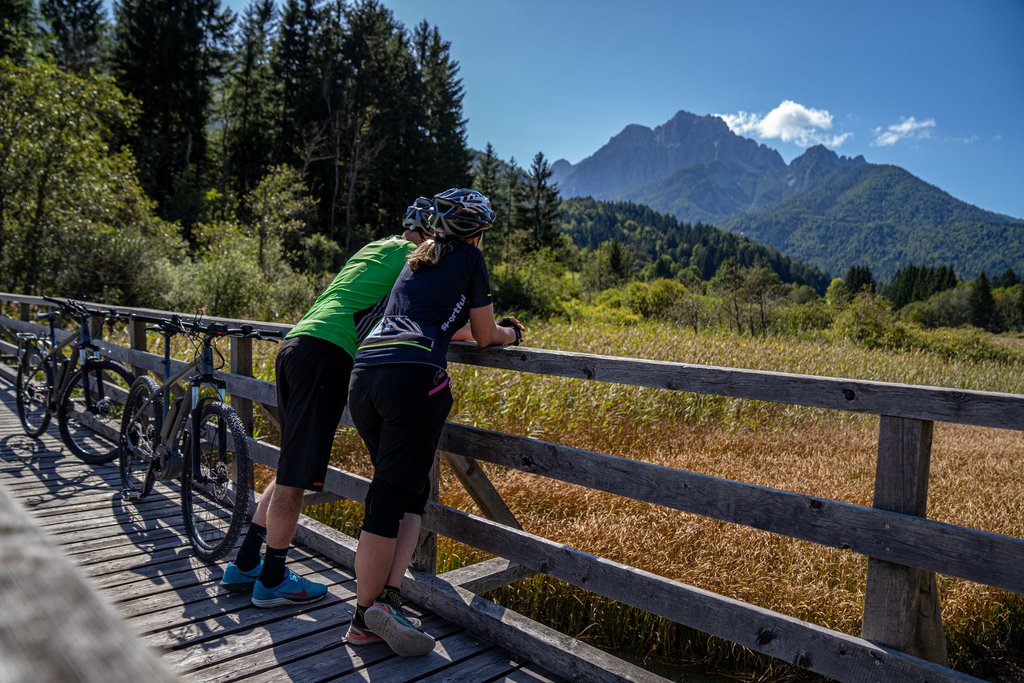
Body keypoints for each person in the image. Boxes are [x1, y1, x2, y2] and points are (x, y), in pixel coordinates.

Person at [219, 198, 436, 607]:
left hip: (297, 344)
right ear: (431, 234)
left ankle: (246, 562)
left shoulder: (376, 248)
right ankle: (272, 578)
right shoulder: (414, 258)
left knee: (292, 462)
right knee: (296, 476)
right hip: (327, 354)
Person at [344, 188, 525, 656]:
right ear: (478, 234)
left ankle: (386, 599)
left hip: (366, 374)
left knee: (408, 493)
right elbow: (484, 335)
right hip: (413, 378)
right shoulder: (469, 260)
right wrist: (512, 331)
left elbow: (436, 321)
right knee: (388, 499)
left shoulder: (417, 260)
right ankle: (365, 615)